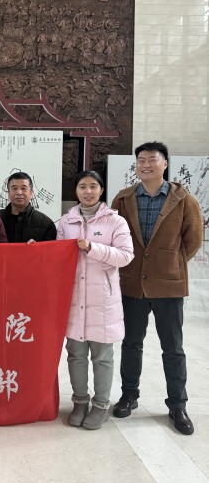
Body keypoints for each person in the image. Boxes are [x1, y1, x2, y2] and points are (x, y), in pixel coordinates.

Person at [111, 142, 203, 435]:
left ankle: (177, 404)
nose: (146, 164)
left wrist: (169, 263)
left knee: (172, 348)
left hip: (169, 285)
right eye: (141, 160)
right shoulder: (123, 198)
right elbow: (114, 237)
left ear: (165, 164)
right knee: (131, 343)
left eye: (152, 159)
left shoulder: (183, 199)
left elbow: (193, 239)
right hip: (132, 284)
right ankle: (129, 395)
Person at [57, 171, 134, 429]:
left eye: (93, 186)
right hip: (74, 299)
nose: (87, 191)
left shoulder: (115, 221)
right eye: (82, 186)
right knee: (75, 354)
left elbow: (126, 256)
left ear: (101, 190)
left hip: (103, 300)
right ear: (76, 191)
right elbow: (57, 256)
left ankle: (101, 405)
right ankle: (80, 401)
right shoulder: (66, 221)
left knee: (102, 356)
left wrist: (92, 248)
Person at [0, 171, 57, 243]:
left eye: (24, 188)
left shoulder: (46, 224)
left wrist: (38, 247)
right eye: (14, 188)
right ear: (8, 193)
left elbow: (50, 249)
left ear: (31, 193)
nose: (19, 192)